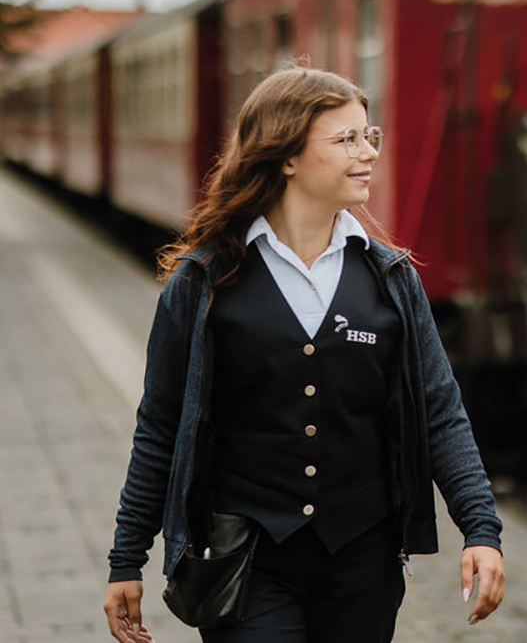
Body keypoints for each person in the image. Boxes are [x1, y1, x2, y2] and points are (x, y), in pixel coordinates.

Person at [102, 67, 505, 643]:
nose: (367, 153)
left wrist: (481, 531)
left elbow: (440, 412)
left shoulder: (390, 277)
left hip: (363, 561)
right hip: (245, 559)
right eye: (346, 140)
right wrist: (126, 559)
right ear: (286, 156)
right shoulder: (206, 280)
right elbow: (162, 426)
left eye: (370, 136)